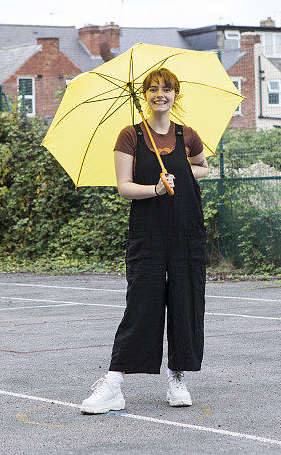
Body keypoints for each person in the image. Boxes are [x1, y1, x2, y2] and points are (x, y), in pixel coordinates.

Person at [79, 67, 209, 415]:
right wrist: (155, 187)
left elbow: (202, 167)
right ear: (145, 95)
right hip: (148, 233)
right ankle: (114, 383)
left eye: (167, 89)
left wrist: (178, 174)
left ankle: (177, 376)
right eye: (153, 89)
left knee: (186, 302)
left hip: (186, 231)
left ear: (176, 95)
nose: (160, 94)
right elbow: (124, 187)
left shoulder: (187, 135)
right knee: (142, 303)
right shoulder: (131, 135)